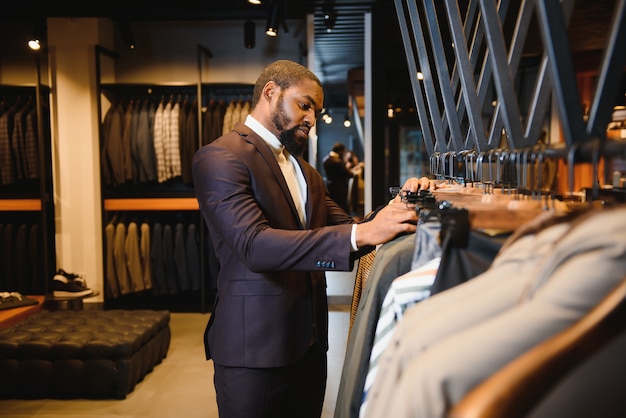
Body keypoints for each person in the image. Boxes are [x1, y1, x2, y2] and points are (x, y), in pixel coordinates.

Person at [192, 59, 427, 418]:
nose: (312, 120)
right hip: (254, 351)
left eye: (315, 111)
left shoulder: (304, 171)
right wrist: (359, 232)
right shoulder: (220, 157)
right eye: (304, 105)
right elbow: (255, 245)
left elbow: (351, 226)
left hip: (311, 347)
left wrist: (403, 203)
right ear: (271, 93)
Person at [323, 142, 359, 213]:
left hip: (329, 186)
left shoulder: (325, 159)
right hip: (340, 188)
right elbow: (350, 175)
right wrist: (350, 169)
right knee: (342, 208)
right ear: (340, 151)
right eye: (344, 151)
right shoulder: (338, 162)